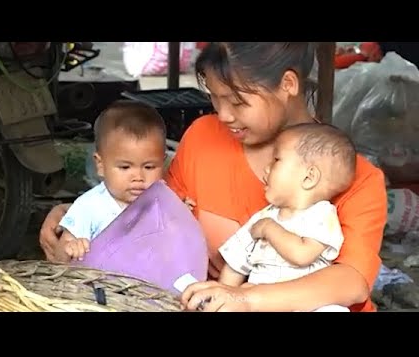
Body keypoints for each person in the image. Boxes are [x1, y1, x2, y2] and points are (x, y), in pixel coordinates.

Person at [39, 42, 388, 312]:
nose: (223, 115)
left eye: (237, 102)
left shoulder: (354, 178)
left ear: (288, 84)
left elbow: (351, 281)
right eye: (216, 99)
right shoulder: (204, 137)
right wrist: (78, 222)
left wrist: (244, 299)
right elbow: (153, 213)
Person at [218, 123, 356, 312]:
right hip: (260, 302)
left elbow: (302, 255)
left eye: (276, 160)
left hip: (306, 304)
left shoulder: (322, 215)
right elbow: (235, 264)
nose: (266, 169)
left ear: (309, 177)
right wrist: (225, 295)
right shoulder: (263, 216)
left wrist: (269, 229)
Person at [53, 99, 167, 262]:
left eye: (149, 167)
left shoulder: (162, 201)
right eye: (125, 167)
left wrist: (182, 211)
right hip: (101, 284)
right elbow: (58, 258)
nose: (138, 177)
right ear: (101, 165)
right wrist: (71, 248)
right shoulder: (89, 207)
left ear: (162, 163)